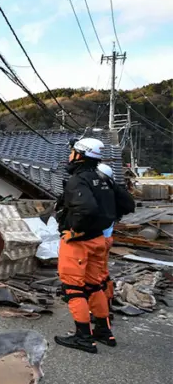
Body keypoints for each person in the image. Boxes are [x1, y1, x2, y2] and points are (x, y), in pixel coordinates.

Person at [54, 138, 116, 353]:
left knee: (73, 288)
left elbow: (86, 209)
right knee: (94, 285)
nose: (70, 156)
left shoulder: (78, 180)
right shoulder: (103, 179)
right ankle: (103, 331)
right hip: (99, 239)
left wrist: (76, 230)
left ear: (80, 154)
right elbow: (126, 203)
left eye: (72, 152)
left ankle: (83, 338)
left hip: (79, 242)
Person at [95, 162, 135, 331]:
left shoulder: (100, 195)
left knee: (93, 278)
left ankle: (99, 312)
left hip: (96, 240)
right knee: (103, 275)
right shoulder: (115, 193)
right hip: (107, 238)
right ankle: (107, 304)